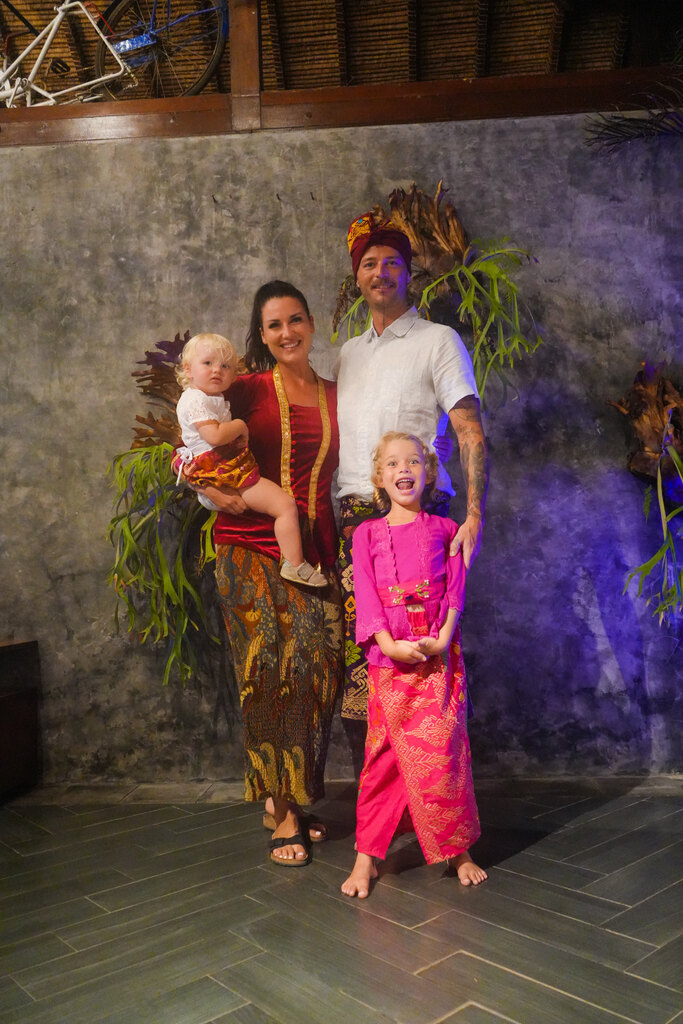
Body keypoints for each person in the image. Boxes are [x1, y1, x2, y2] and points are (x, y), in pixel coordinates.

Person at [187, 283, 342, 866]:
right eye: (273, 325)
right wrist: (206, 489)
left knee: (316, 672)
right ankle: (285, 811)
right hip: (247, 550)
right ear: (262, 333)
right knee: (267, 674)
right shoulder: (244, 387)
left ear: (310, 322)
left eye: (294, 320)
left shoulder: (334, 393)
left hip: (312, 553)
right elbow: (185, 441)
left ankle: (289, 799)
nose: (286, 334)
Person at [336, 211, 489, 721]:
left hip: (419, 520)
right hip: (356, 523)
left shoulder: (437, 340)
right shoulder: (349, 354)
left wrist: (473, 514)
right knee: (365, 668)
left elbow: (469, 431)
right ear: (357, 276)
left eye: (393, 263)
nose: (381, 272)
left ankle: (431, 794)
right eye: (370, 263)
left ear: (409, 273)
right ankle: (379, 798)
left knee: (424, 660)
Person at [341, 431, 487, 898]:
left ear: (427, 473)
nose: (403, 469)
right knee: (382, 758)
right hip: (390, 660)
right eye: (392, 464)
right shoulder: (365, 534)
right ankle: (367, 856)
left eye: (413, 462)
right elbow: (365, 592)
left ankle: (456, 849)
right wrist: (387, 642)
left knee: (444, 750)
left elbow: (455, 590)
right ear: (378, 478)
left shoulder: (447, 531)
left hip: (438, 659)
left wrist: (442, 638)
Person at [175, 332, 327, 588]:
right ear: (188, 369)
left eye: (225, 366)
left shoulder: (213, 397)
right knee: (285, 506)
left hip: (229, 473)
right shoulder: (199, 398)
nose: (217, 371)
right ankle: (295, 564)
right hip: (225, 478)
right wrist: (239, 426)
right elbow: (199, 442)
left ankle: (294, 561)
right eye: (208, 364)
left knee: (285, 507)